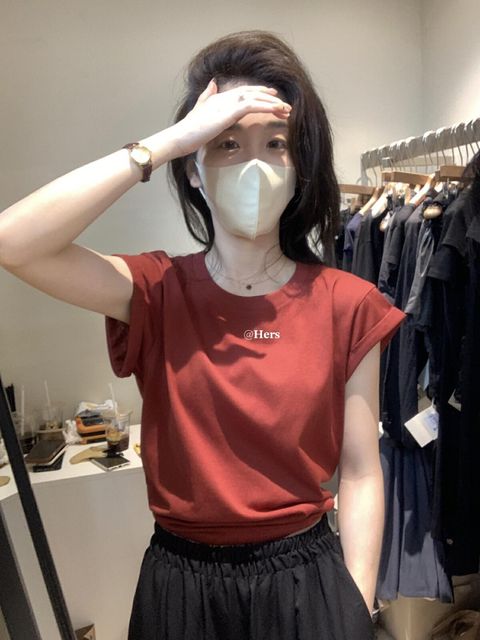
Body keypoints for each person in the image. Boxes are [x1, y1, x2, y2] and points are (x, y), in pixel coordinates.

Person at [0, 29, 405, 640]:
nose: (254, 165)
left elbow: (361, 471)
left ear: (300, 166)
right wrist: (166, 144)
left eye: (276, 144)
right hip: (181, 586)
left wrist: (356, 602)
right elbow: (15, 243)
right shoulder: (155, 291)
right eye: (226, 143)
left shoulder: (347, 304)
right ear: (193, 168)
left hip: (307, 581)